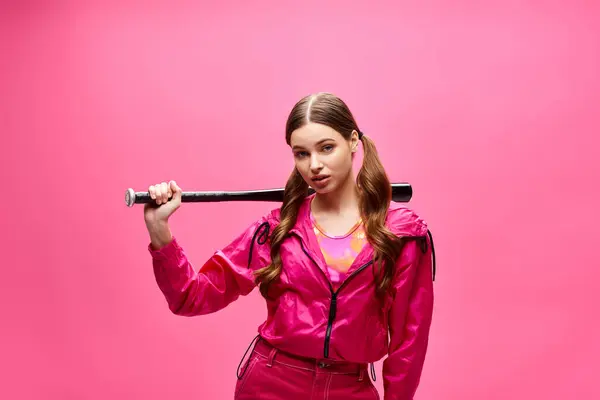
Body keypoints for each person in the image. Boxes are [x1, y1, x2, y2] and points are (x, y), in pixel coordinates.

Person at [143, 92, 436, 400]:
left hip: (349, 389)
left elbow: (409, 342)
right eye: (301, 154)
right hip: (271, 385)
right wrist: (159, 229)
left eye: (326, 148)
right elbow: (191, 297)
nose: (315, 165)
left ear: (352, 141)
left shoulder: (401, 233)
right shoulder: (275, 230)